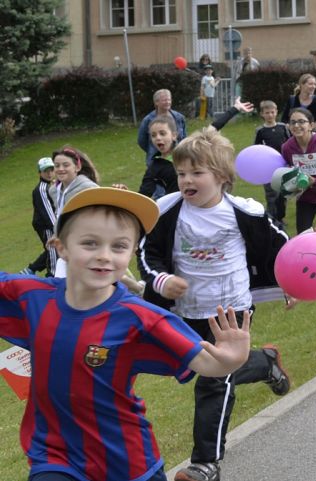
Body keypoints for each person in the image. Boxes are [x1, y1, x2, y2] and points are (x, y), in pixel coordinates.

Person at [2, 186, 252, 481]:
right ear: (61, 247)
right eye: (90, 243)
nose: (104, 256)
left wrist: (231, 360)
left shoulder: (141, 318)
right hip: (54, 455)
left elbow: (206, 363)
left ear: (132, 252)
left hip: (126, 461)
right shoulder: (32, 296)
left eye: (118, 246)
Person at [139, 127, 291, 481]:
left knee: (213, 381)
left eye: (197, 172)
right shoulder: (166, 210)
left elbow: (279, 246)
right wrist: (161, 281)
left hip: (231, 310)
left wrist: (288, 280)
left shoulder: (244, 212)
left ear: (222, 177)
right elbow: (147, 253)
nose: (186, 180)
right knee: (189, 367)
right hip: (184, 309)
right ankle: (263, 362)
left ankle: (206, 463)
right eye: (181, 173)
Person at [254, 100, 290, 223]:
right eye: (267, 113)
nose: (270, 115)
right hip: (268, 166)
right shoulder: (260, 131)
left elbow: (290, 143)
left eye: (272, 112)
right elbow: (257, 148)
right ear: (262, 114)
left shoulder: (283, 127)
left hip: (283, 164)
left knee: (283, 193)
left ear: (276, 112)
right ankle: (272, 218)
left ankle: (280, 216)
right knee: (271, 193)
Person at [21, 157, 57, 277]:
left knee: (54, 248)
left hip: (52, 224)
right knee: (54, 249)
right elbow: (48, 213)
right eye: (45, 171)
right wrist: (57, 228)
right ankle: (52, 275)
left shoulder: (51, 185)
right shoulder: (41, 189)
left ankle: (30, 270)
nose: (49, 173)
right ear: (40, 173)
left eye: (51, 170)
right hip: (46, 226)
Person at [138, 89, 187, 167]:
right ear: (156, 102)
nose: (168, 102)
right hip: (156, 161)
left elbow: (184, 138)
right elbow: (141, 141)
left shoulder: (179, 117)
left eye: (169, 100)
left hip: (178, 159)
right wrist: (154, 149)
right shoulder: (147, 120)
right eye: (164, 100)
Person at [139, 115, 179, 198]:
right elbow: (143, 195)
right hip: (177, 204)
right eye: (153, 135)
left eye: (162, 133)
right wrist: (125, 193)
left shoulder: (187, 155)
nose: (157, 138)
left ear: (174, 135)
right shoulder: (155, 165)